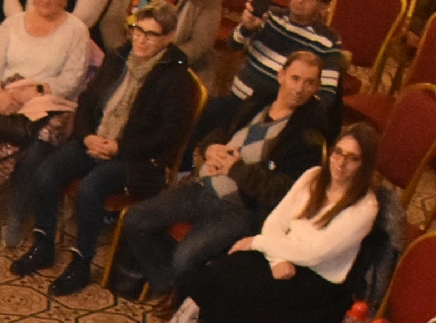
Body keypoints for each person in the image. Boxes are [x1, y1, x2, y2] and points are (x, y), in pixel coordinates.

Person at [170, 126, 378, 323]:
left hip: (317, 282)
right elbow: (276, 221)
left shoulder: (365, 207)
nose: (340, 163)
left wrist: (258, 243)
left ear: (364, 165)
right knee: (218, 275)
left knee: (246, 293)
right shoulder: (313, 176)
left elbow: (314, 253)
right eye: (338, 153)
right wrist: (277, 258)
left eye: (352, 158)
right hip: (282, 254)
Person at [7, 1, 196, 296]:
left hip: (138, 159)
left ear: (168, 38)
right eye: (138, 30)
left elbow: (167, 135)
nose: (141, 40)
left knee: (91, 187)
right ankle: (43, 244)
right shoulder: (118, 57)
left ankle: (81, 263)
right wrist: (86, 137)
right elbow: (88, 101)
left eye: (151, 35)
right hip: (96, 140)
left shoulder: (177, 78)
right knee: (46, 172)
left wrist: (119, 147)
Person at [114, 48, 326, 307]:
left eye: (309, 83)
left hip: (239, 208)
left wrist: (235, 169)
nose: (299, 88)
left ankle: (178, 293)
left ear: (317, 87)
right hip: (202, 187)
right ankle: (171, 287)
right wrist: (210, 149)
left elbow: (281, 191)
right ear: (281, 76)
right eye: (295, 78)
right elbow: (219, 132)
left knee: (185, 257)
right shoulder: (257, 102)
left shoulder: (307, 134)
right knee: (135, 219)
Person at [0, 0, 92, 245]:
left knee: (34, 149)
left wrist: (35, 91)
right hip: (6, 96)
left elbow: (72, 80)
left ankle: (17, 214)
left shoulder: (77, 30)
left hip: (51, 102)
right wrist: (0, 96)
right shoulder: (12, 24)